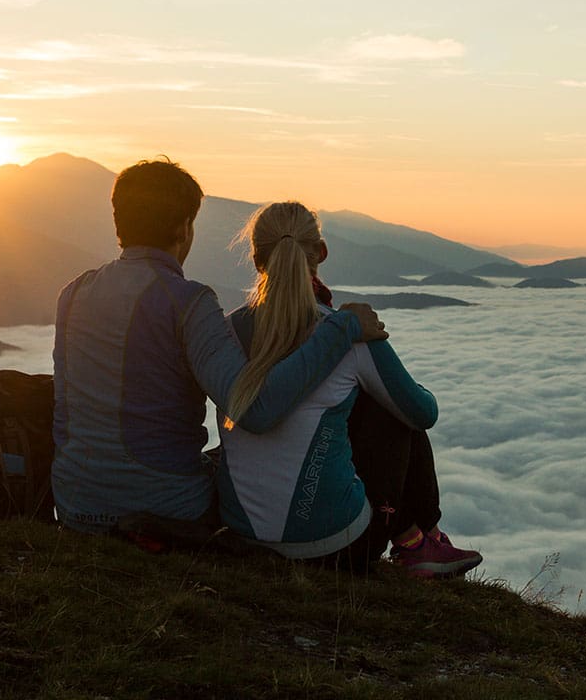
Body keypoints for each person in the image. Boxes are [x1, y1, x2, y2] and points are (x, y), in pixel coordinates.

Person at [50, 159, 387, 534]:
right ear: (184, 227)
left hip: (74, 505)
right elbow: (255, 411)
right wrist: (341, 328)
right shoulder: (188, 303)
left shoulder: (73, 293)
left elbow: (64, 409)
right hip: (166, 509)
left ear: (118, 222)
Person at [215, 201, 482, 577]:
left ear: (256, 258)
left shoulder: (223, 334)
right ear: (321, 253)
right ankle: (419, 543)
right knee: (393, 410)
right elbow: (424, 413)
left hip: (242, 533)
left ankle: (421, 539)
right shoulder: (351, 334)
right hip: (335, 547)